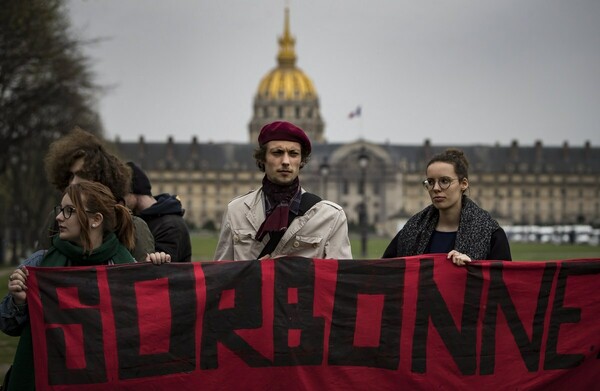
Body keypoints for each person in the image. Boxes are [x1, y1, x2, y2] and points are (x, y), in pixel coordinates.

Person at [0, 181, 170, 391]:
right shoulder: (39, 264)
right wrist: (18, 301)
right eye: (61, 210)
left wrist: (157, 272)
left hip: (105, 379)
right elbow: (7, 325)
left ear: (96, 220)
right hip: (54, 380)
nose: (59, 217)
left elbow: (150, 328)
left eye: (69, 211)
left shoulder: (125, 266)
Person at [214, 120, 352, 261]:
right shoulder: (236, 211)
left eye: (293, 154)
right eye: (277, 153)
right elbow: (222, 276)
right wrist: (254, 272)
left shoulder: (331, 216)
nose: (286, 161)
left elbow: (339, 279)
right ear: (263, 158)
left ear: (301, 161)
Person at [382, 148, 512, 265]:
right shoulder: (412, 229)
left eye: (445, 181)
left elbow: (502, 283)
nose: (436, 188)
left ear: (464, 184)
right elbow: (387, 273)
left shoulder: (491, 233)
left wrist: (474, 267)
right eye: (431, 182)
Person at [43, 126, 155, 262]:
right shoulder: (56, 218)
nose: (72, 183)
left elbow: (144, 277)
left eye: (81, 175)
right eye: (70, 176)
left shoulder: (134, 226)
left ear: (101, 178)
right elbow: (38, 269)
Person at [125, 162, 192, 262]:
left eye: (122, 194)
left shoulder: (170, 225)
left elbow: (160, 271)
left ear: (132, 192)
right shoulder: (153, 219)